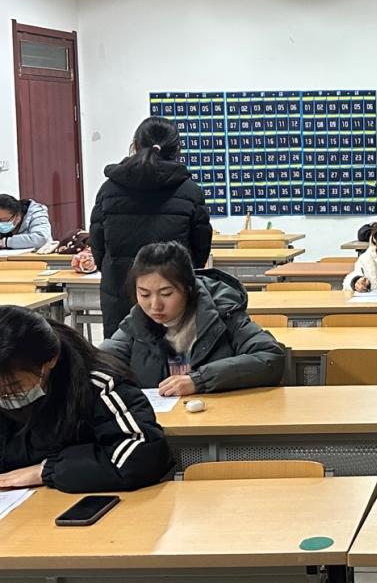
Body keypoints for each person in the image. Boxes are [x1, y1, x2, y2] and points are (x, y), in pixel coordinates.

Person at [0, 305, 174, 493]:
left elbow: (142, 456)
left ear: (50, 360)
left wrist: (47, 470)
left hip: (83, 496)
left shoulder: (99, 384)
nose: (4, 397)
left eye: (14, 386)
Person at [101, 242, 285, 396]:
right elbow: (99, 362)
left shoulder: (223, 314)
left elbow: (270, 358)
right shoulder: (136, 324)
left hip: (219, 420)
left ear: (189, 288)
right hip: (161, 423)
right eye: (144, 294)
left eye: (166, 294)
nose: (155, 305)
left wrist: (199, 380)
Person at [90, 117, 212, 339]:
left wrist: (112, 270)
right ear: (177, 149)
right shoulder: (189, 191)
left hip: (120, 288)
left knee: (122, 352)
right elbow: (200, 249)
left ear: (135, 146)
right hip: (173, 291)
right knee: (177, 355)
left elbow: (97, 244)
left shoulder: (108, 189)